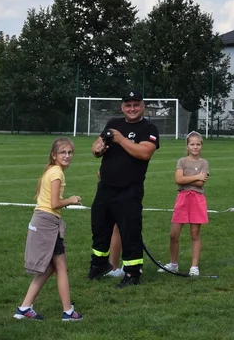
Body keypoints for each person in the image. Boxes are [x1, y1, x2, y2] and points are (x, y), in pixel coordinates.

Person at [88, 91, 160, 287]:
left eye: (136, 104)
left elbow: (145, 153)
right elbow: (96, 146)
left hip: (129, 190)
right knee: (99, 228)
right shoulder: (113, 123)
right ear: (122, 107)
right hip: (105, 188)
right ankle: (99, 265)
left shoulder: (149, 128)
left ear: (142, 105)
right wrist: (97, 149)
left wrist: (120, 140)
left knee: (130, 233)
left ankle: (132, 273)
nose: (132, 108)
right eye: (128, 105)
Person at [14, 137, 84, 322]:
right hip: (47, 223)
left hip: (44, 221)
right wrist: (71, 200)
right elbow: (54, 203)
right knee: (61, 267)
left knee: (50, 268)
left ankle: (24, 307)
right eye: (63, 152)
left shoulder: (53, 170)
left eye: (70, 152)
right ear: (54, 155)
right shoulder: (56, 173)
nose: (67, 156)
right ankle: (68, 312)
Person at [161, 131, 210, 277]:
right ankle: (173, 264)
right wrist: (195, 177)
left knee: (195, 233)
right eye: (192, 144)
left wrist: (187, 178)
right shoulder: (182, 161)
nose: (195, 147)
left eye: (198, 144)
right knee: (173, 234)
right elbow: (178, 180)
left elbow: (201, 182)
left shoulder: (204, 163)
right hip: (182, 198)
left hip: (197, 199)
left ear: (201, 146)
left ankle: (194, 266)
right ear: (187, 146)